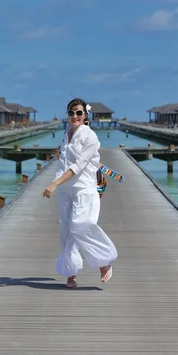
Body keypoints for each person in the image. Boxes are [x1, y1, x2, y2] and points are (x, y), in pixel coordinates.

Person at [42, 98, 117, 288]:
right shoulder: (66, 135)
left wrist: (54, 184)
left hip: (84, 189)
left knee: (80, 226)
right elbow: (63, 163)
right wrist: (57, 182)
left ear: (85, 115)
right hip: (66, 190)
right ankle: (71, 272)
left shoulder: (90, 137)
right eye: (71, 112)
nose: (75, 116)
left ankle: (103, 261)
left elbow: (78, 166)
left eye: (78, 113)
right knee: (67, 232)